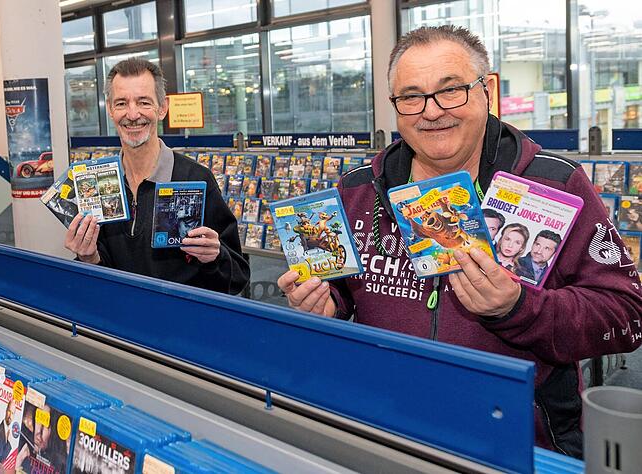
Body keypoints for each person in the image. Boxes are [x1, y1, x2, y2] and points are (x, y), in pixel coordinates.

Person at [277, 25, 642, 457]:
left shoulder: (556, 184)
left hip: (517, 443)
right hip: (385, 431)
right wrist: (326, 302)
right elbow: (343, 291)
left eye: (450, 91)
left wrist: (519, 309)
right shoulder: (358, 190)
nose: (431, 112)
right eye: (411, 96)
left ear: (487, 90)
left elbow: (626, 314)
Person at [64, 58, 249, 295]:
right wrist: (88, 258)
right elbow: (97, 284)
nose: (133, 114)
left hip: (181, 326)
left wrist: (215, 256)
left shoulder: (195, 178)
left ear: (162, 107)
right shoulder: (97, 184)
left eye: (144, 102)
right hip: (116, 325)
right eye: (121, 103)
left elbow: (238, 277)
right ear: (110, 109)